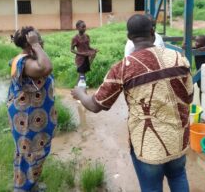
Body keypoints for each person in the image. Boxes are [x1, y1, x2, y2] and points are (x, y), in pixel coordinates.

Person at [71, 14, 193, 192]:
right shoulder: (177, 58)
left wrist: (80, 94)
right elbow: (189, 97)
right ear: (153, 32)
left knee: (152, 187)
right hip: (178, 139)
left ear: (129, 37)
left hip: (148, 147)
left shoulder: (122, 68)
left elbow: (96, 105)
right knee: (178, 176)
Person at [8, 27, 57, 192]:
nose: (41, 41)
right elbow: (46, 69)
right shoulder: (25, 62)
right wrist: (36, 45)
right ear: (30, 43)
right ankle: (22, 188)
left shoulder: (32, 59)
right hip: (28, 118)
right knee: (28, 153)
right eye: (37, 38)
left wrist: (36, 48)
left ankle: (32, 185)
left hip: (34, 116)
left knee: (35, 153)